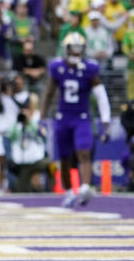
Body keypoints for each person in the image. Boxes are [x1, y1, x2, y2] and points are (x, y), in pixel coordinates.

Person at [44, 32, 112, 208]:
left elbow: (101, 96)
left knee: (84, 152)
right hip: (63, 118)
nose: (76, 53)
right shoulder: (57, 67)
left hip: (82, 117)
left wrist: (106, 120)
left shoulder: (89, 69)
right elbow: (49, 92)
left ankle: (85, 187)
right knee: (65, 158)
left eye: (79, 50)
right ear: (66, 50)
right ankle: (68, 191)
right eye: (73, 50)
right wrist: (41, 116)